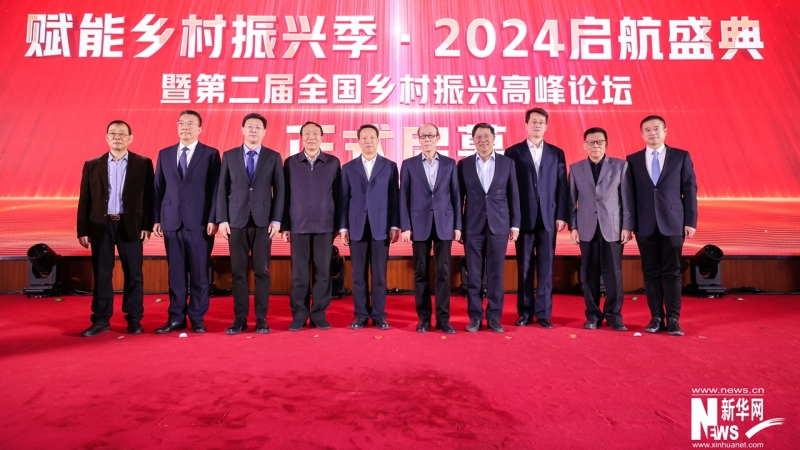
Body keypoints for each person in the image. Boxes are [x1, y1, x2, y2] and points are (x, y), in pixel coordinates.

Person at [77, 120, 154, 337]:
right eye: (113, 133)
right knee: (102, 274)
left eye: (122, 133)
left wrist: (147, 226)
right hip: (101, 226)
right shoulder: (92, 164)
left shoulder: (143, 163)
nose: (117, 137)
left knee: (134, 274)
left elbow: (149, 198)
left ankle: (134, 319)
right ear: (106, 138)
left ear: (130, 138)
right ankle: (101, 320)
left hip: (131, 225)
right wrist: (83, 229)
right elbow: (85, 199)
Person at [627, 115, 698, 336]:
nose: (652, 133)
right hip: (644, 223)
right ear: (642, 134)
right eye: (647, 130)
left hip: (674, 222)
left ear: (665, 131)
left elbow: (690, 189)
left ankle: (674, 319)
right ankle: (656, 317)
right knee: (650, 272)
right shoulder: (632, 160)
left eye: (656, 128)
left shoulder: (681, 156)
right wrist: (629, 225)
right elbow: (629, 195)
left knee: (672, 272)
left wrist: (690, 220)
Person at [151, 110, 220, 334]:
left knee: (199, 273)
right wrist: (156, 219)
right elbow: (158, 188)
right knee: (176, 274)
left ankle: (197, 317)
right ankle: (176, 317)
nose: (185, 127)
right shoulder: (165, 154)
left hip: (200, 223)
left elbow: (216, 190)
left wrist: (213, 218)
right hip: (171, 221)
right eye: (182, 123)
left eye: (191, 123)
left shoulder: (211, 154)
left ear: (200, 128)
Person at [216, 113, 285, 335]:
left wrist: (277, 220)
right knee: (238, 272)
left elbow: (280, 191)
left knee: (262, 271)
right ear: (242, 130)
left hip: (264, 223)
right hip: (236, 221)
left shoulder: (273, 157)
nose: (253, 130)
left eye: (258, 127)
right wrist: (222, 219)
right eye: (249, 127)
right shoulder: (229, 156)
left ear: (264, 132)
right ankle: (240, 318)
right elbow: (221, 190)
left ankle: (261, 318)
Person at [504, 108, 568, 329]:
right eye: (533, 121)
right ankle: (524, 312)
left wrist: (561, 214)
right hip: (523, 218)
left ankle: (543, 313)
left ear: (546, 126)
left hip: (548, 217)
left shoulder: (556, 153)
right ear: (526, 125)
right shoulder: (513, 152)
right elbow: (509, 188)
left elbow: (562, 186)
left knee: (546, 267)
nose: (537, 125)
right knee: (525, 266)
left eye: (541, 122)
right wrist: (512, 218)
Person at [568, 127, 634, 331]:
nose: (595, 145)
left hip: (613, 228)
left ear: (606, 144)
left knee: (613, 274)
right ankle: (593, 316)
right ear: (584, 145)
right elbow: (571, 201)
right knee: (589, 274)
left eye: (599, 142)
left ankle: (614, 316)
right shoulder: (576, 168)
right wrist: (573, 227)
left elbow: (627, 200)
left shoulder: (620, 166)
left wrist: (627, 226)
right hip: (586, 227)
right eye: (591, 142)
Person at [457, 123, 520, 333]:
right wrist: (458, 226)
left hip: (499, 225)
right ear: (473, 140)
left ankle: (494, 316)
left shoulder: (507, 163)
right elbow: (458, 198)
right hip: (472, 226)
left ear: (494, 139)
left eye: (486, 136)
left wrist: (515, 224)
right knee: (473, 275)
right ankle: (475, 317)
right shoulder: (464, 165)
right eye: (478, 137)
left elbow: (514, 195)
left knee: (496, 274)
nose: (482, 140)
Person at [400, 123, 461, 334]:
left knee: (443, 272)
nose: (427, 139)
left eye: (430, 136)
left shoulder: (450, 164)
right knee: (421, 272)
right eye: (423, 136)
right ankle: (424, 319)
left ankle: (443, 319)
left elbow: (456, 196)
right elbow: (403, 197)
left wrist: (457, 225)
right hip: (418, 225)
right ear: (418, 139)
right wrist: (405, 226)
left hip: (444, 223)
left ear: (438, 137)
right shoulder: (408, 164)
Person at [281, 121, 341, 331]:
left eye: (315, 133)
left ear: (322, 137)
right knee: (299, 274)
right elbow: (284, 195)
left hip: (325, 225)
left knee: (323, 273)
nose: (311, 137)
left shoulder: (333, 163)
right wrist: (285, 225)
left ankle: (318, 314)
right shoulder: (291, 163)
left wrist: (339, 225)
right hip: (298, 225)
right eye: (307, 133)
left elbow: (339, 196)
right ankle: (299, 314)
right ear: (301, 137)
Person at [339, 124, 400, 330]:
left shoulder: (389, 166)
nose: (368, 141)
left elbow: (394, 197)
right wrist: (343, 227)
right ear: (358, 141)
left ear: (378, 140)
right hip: (356, 227)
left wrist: (394, 224)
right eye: (364, 138)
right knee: (358, 275)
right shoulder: (348, 168)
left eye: (372, 137)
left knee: (379, 275)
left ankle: (379, 315)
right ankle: (361, 314)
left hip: (381, 226)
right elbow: (344, 199)